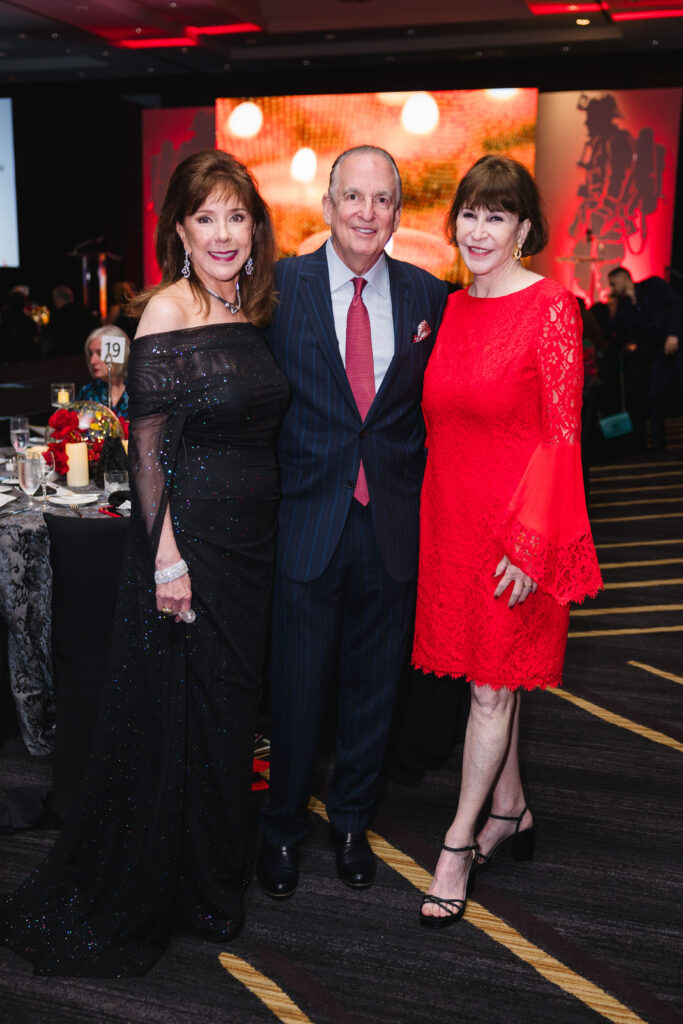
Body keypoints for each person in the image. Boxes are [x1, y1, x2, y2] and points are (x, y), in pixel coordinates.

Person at [0, 149, 289, 976]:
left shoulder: (254, 306)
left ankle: (210, 875)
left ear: (253, 226)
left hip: (250, 543)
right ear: (180, 229)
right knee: (182, 715)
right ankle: (180, 886)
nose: (224, 232)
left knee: (230, 717)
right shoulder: (166, 309)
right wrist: (165, 559)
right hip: (190, 541)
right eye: (207, 217)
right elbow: (147, 449)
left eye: (237, 215)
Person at [412, 155, 602, 927]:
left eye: (497, 215)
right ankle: (510, 808)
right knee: (486, 676)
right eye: (469, 213)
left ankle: (457, 844)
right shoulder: (451, 309)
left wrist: (530, 544)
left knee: (492, 685)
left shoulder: (551, 306)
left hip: (514, 530)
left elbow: (562, 437)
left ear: (524, 228)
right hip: (449, 523)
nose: (479, 229)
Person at [257, 145, 448, 898]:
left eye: (382, 199)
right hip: (307, 523)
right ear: (328, 207)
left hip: (392, 528)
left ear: (397, 212)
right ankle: (279, 831)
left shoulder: (428, 296)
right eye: (353, 198)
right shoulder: (282, 289)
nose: (367, 212)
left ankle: (349, 823)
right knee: (298, 691)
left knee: (374, 692)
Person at [605, 266, 683, 452]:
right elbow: (611, 328)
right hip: (659, 352)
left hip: (678, 343)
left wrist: (674, 333)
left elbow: (677, 304)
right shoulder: (625, 307)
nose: (612, 288)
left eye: (613, 283)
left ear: (624, 277)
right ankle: (658, 444)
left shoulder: (652, 285)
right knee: (655, 394)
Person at [77, 325, 130, 415]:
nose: (92, 361)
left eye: (100, 353)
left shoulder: (139, 391)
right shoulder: (87, 393)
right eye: (90, 354)